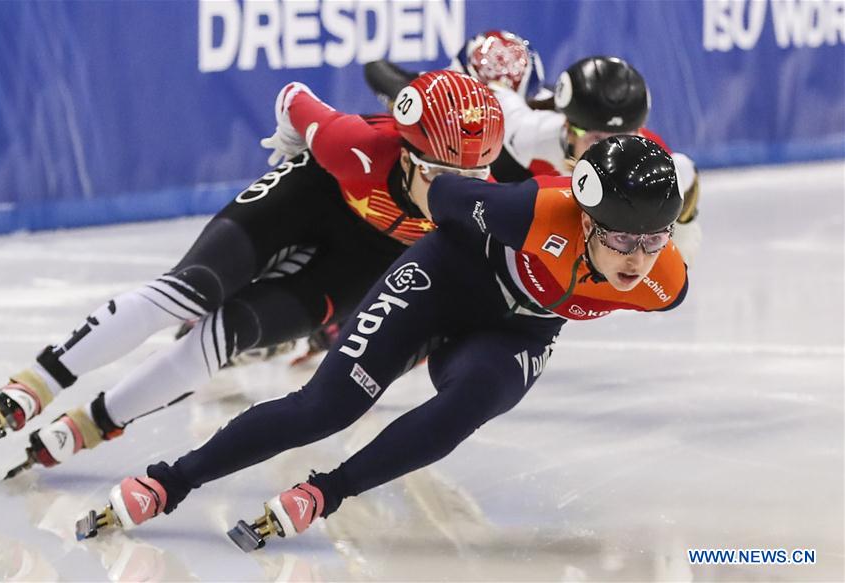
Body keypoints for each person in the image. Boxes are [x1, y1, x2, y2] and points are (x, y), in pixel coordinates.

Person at [77, 135, 689, 550]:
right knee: (326, 407)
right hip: (444, 280)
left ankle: (325, 492)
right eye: (621, 241)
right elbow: (442, 197)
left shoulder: (664, 283)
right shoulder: (534, 211)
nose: (636, 261)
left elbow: (644, 261)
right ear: (585, 220)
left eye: (653, 240)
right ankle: (170, 481)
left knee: (469, 404)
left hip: (514, 329)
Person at [0, 70, 504, 476]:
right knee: (191, 291)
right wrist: (294, 146)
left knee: (231, 333)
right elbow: (294, 97)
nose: (453, 193)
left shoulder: (483, 207)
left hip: (363, 259)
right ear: (407, 155)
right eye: (437, 175)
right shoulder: (354, 146)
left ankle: (95, 423)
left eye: (474, 177)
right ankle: (40, 380)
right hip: (311, 194)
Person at [365, 44, 702, 262]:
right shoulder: (528, 133)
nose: (608, 150)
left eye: (624, 136)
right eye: (596, 137)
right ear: (568, 127)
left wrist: (682, 228)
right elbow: (482, 96)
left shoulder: (651, 164)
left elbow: (687, 175)